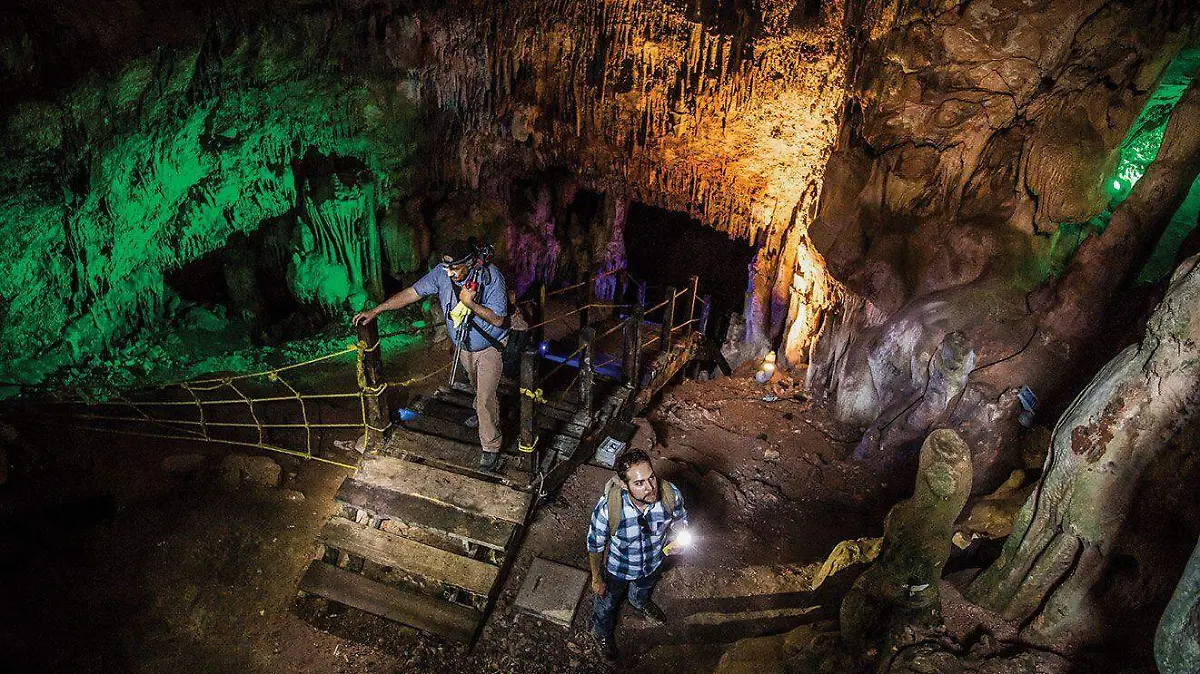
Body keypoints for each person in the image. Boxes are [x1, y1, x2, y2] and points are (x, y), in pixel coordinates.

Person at [352, 239, 510, 470]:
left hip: (489, 346)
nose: (449, 273)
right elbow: (411, 293)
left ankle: (491, 446)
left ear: (468, 263)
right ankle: (481, 412)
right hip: (463, 345)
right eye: (446, 267)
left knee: (486, 396)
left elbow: (498, 319)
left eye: (454, 268)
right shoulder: (442, 274)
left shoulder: (491, 277)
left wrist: (470, 303)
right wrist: (376, 310)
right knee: (477, 385)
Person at [586, 449, 689, 663]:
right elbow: (595, 545)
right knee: (606, 604)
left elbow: (681, 519)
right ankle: (601, 632)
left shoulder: (670, 494)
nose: (650, 488)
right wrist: (596, 577)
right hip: (618, 569)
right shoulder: (609, 509)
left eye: (651, 477)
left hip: (653, 562)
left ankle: (638, 601)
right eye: (640, 483)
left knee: (643, 588)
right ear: (625, 486)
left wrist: (679, 538)